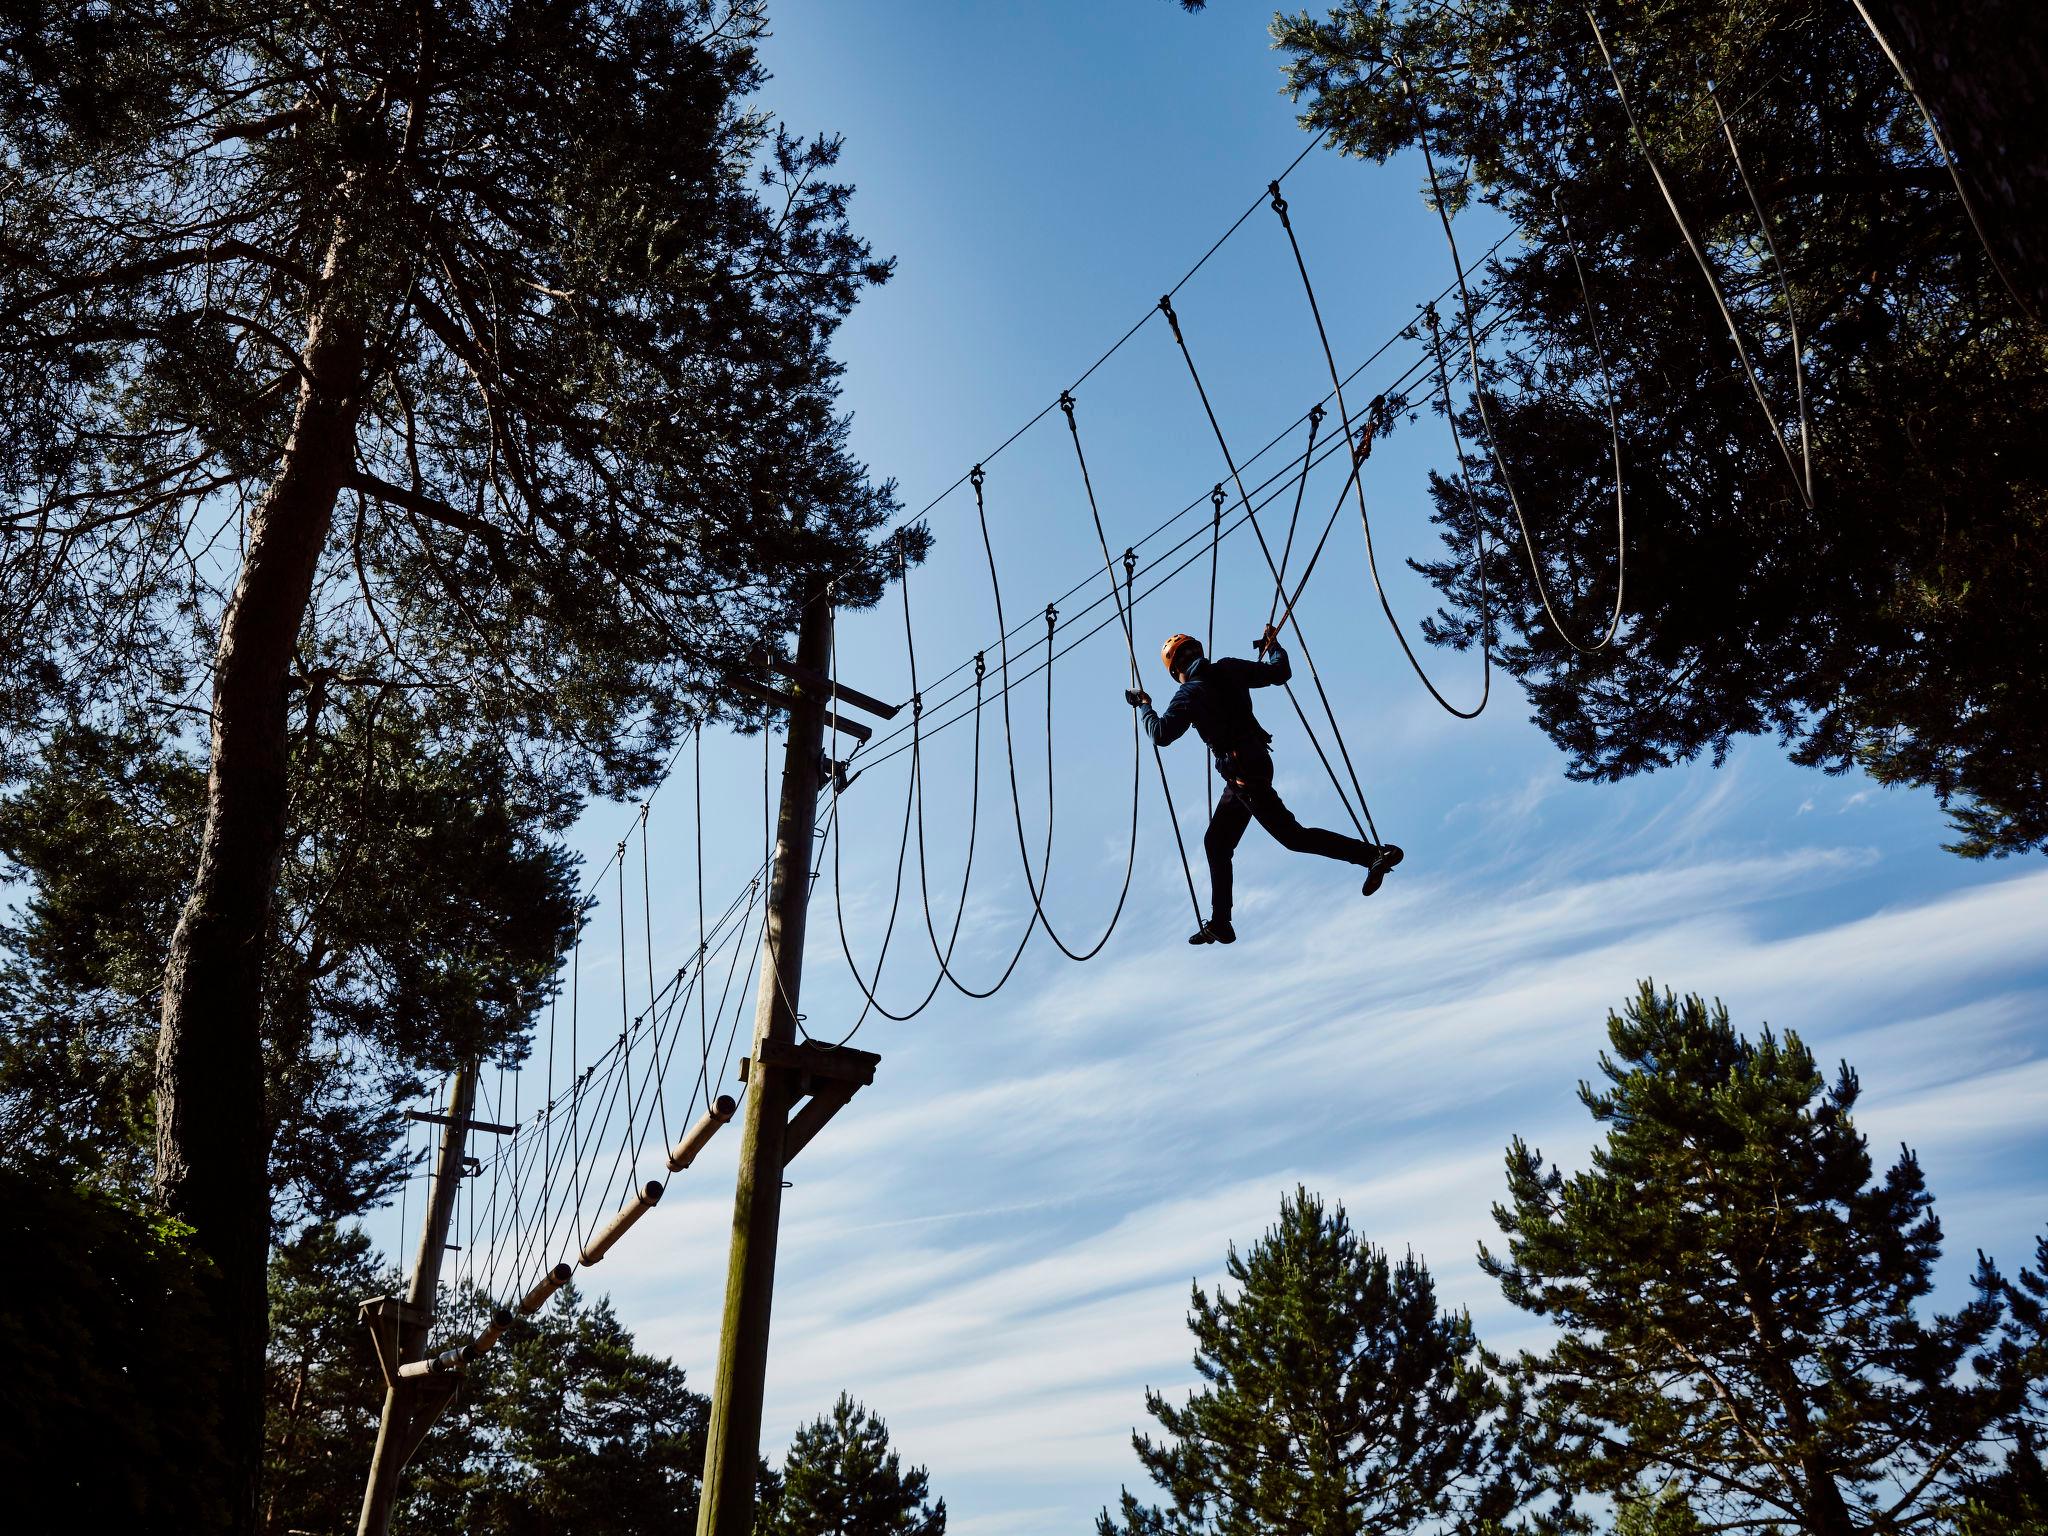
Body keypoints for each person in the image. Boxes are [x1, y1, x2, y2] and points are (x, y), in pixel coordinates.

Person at [1125, 627, 1402, 945]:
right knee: (1217, 842)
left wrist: (1145, 705)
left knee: (1291, 837)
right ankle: (1220, 922)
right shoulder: (1228, 668)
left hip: (1242, 771)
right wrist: (1274, 646)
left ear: (1176, 671)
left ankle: (1372, 855)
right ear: (1199, 653)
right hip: (1255, 763)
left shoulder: (1188, 694)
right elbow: (1280, 672)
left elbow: (1161, 734)